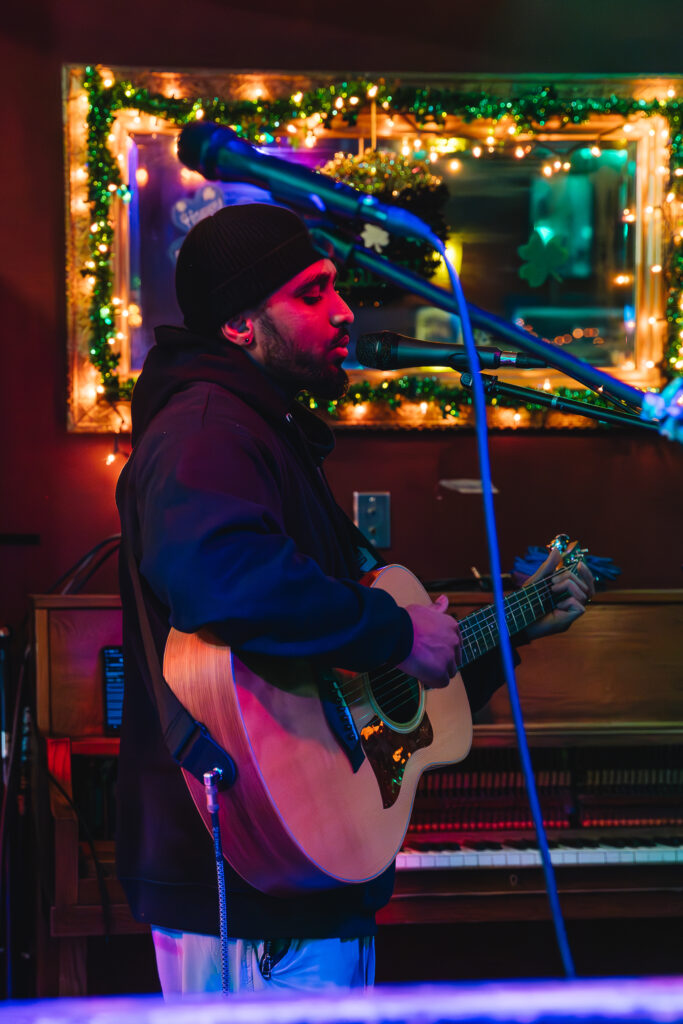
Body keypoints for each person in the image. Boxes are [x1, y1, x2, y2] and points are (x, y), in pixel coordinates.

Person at [115, 202, 593, 997]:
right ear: (239, 325)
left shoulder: (261, 426)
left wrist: (508, 626)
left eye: (335, 289)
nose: (343, 313)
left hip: (297, 883)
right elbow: (216, 577)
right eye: (310, 294)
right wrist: (391, 632)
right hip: (248, 883)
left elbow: (363, 696)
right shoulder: (206, 427)